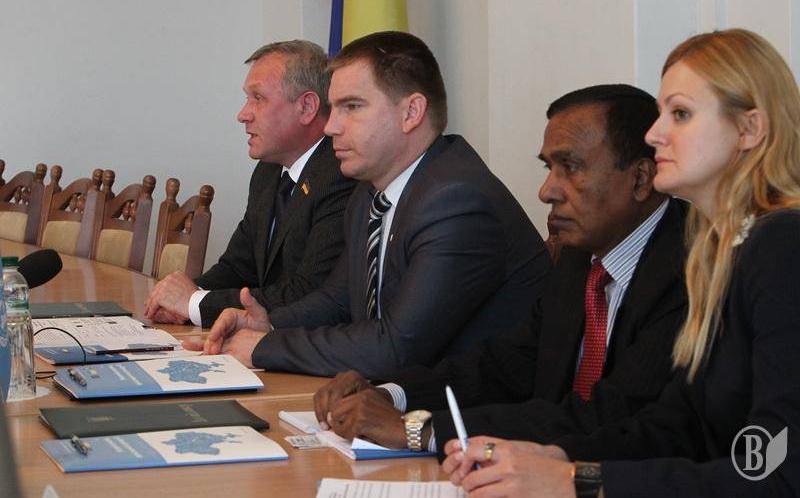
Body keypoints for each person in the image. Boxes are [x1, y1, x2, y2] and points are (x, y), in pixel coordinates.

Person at [443, 29, 800, 497]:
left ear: (749, 130)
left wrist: (577, 482)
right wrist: (555, 457)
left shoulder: (782, 244)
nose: (654, 134)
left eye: (681, 114)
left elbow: (777, 474)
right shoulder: (718, 250)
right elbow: (675, 427)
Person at [311, 84, 690, 455]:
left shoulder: (688, 271)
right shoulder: (580, 257)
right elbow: (507, 365)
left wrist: (418, 430)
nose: (547, 191)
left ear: (641, 178)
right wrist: (390, 393)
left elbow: (610, 417)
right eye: (550, 167)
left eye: (571, 167)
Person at [184, 31, 550, 377]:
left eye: (352, 107)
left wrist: (265, 346)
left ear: (411, 112)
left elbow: (395, 347)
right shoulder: (369, 193)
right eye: (334, 108)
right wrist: (268, 323)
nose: (331, 127)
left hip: (470, 412)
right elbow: (338, 300)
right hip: (394, 396)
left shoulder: (456, 201)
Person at [144, 40, 356, 327]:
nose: (242, 114)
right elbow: (238, 267)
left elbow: (308, 293)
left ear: (307, 107)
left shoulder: (340, 175)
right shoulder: (268, 172)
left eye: (258, 98)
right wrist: (180, 299)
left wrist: (194, 303)